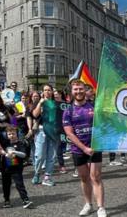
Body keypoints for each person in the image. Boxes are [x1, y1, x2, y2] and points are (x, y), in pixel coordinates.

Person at [63, 79, 107, 217]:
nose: (78, 91)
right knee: (84, 178)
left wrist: (96, 143)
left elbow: (102, 126)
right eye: (76, 89)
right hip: (78, 149)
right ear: (72, 91)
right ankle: (88, 204)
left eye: (81, 88)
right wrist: (84, 148)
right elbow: (69, 133)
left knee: (96, 177)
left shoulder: (95, 107)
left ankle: (101, 207)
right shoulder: (68, 111)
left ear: (84, 89)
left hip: (95, 147)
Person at [32, 84, 60, 186]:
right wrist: (40, 103)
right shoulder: (39, 102)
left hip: (54, 132)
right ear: (42, 92)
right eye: (45, 90)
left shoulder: (56, 103)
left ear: (52, 92)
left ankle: (47, 177)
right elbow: (35, 114)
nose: (47, 92)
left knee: (51, 156)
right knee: (40, 155)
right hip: (42, 131)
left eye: (49, 90)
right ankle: (37, 173)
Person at [0, 126, 33, 209]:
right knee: (6, 185)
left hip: (16, 168)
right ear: (6, 135)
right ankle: (7, 201)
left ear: (17, 134)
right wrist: (5, 153)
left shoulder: (20, 143)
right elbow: (0, 149)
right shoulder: (5, 143)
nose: (11, 135)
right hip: (5, 168)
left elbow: (24, 155)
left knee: (19, 184)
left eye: (13, 133)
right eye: (9, 134)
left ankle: (25, 200)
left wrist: (14, 152)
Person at [54, 90, 70, 174]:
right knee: (58, 147)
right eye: (54, 94)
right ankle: (62, 165)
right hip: (57, 128)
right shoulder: (52, 104)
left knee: (73, 145)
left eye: (57, 94)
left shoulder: (67, 104)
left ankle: (77, 166)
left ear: (60, 94)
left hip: (68, 127)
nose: (55, 95)